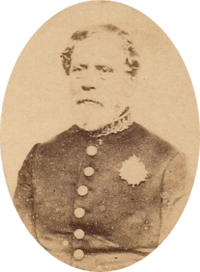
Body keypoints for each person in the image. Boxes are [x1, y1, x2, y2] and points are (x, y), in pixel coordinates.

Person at [14, 24, 187, 270]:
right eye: (78, 70)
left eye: (104, 70)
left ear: (131, 81)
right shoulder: (40, 156)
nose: (88, 83)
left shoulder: (167, 161)